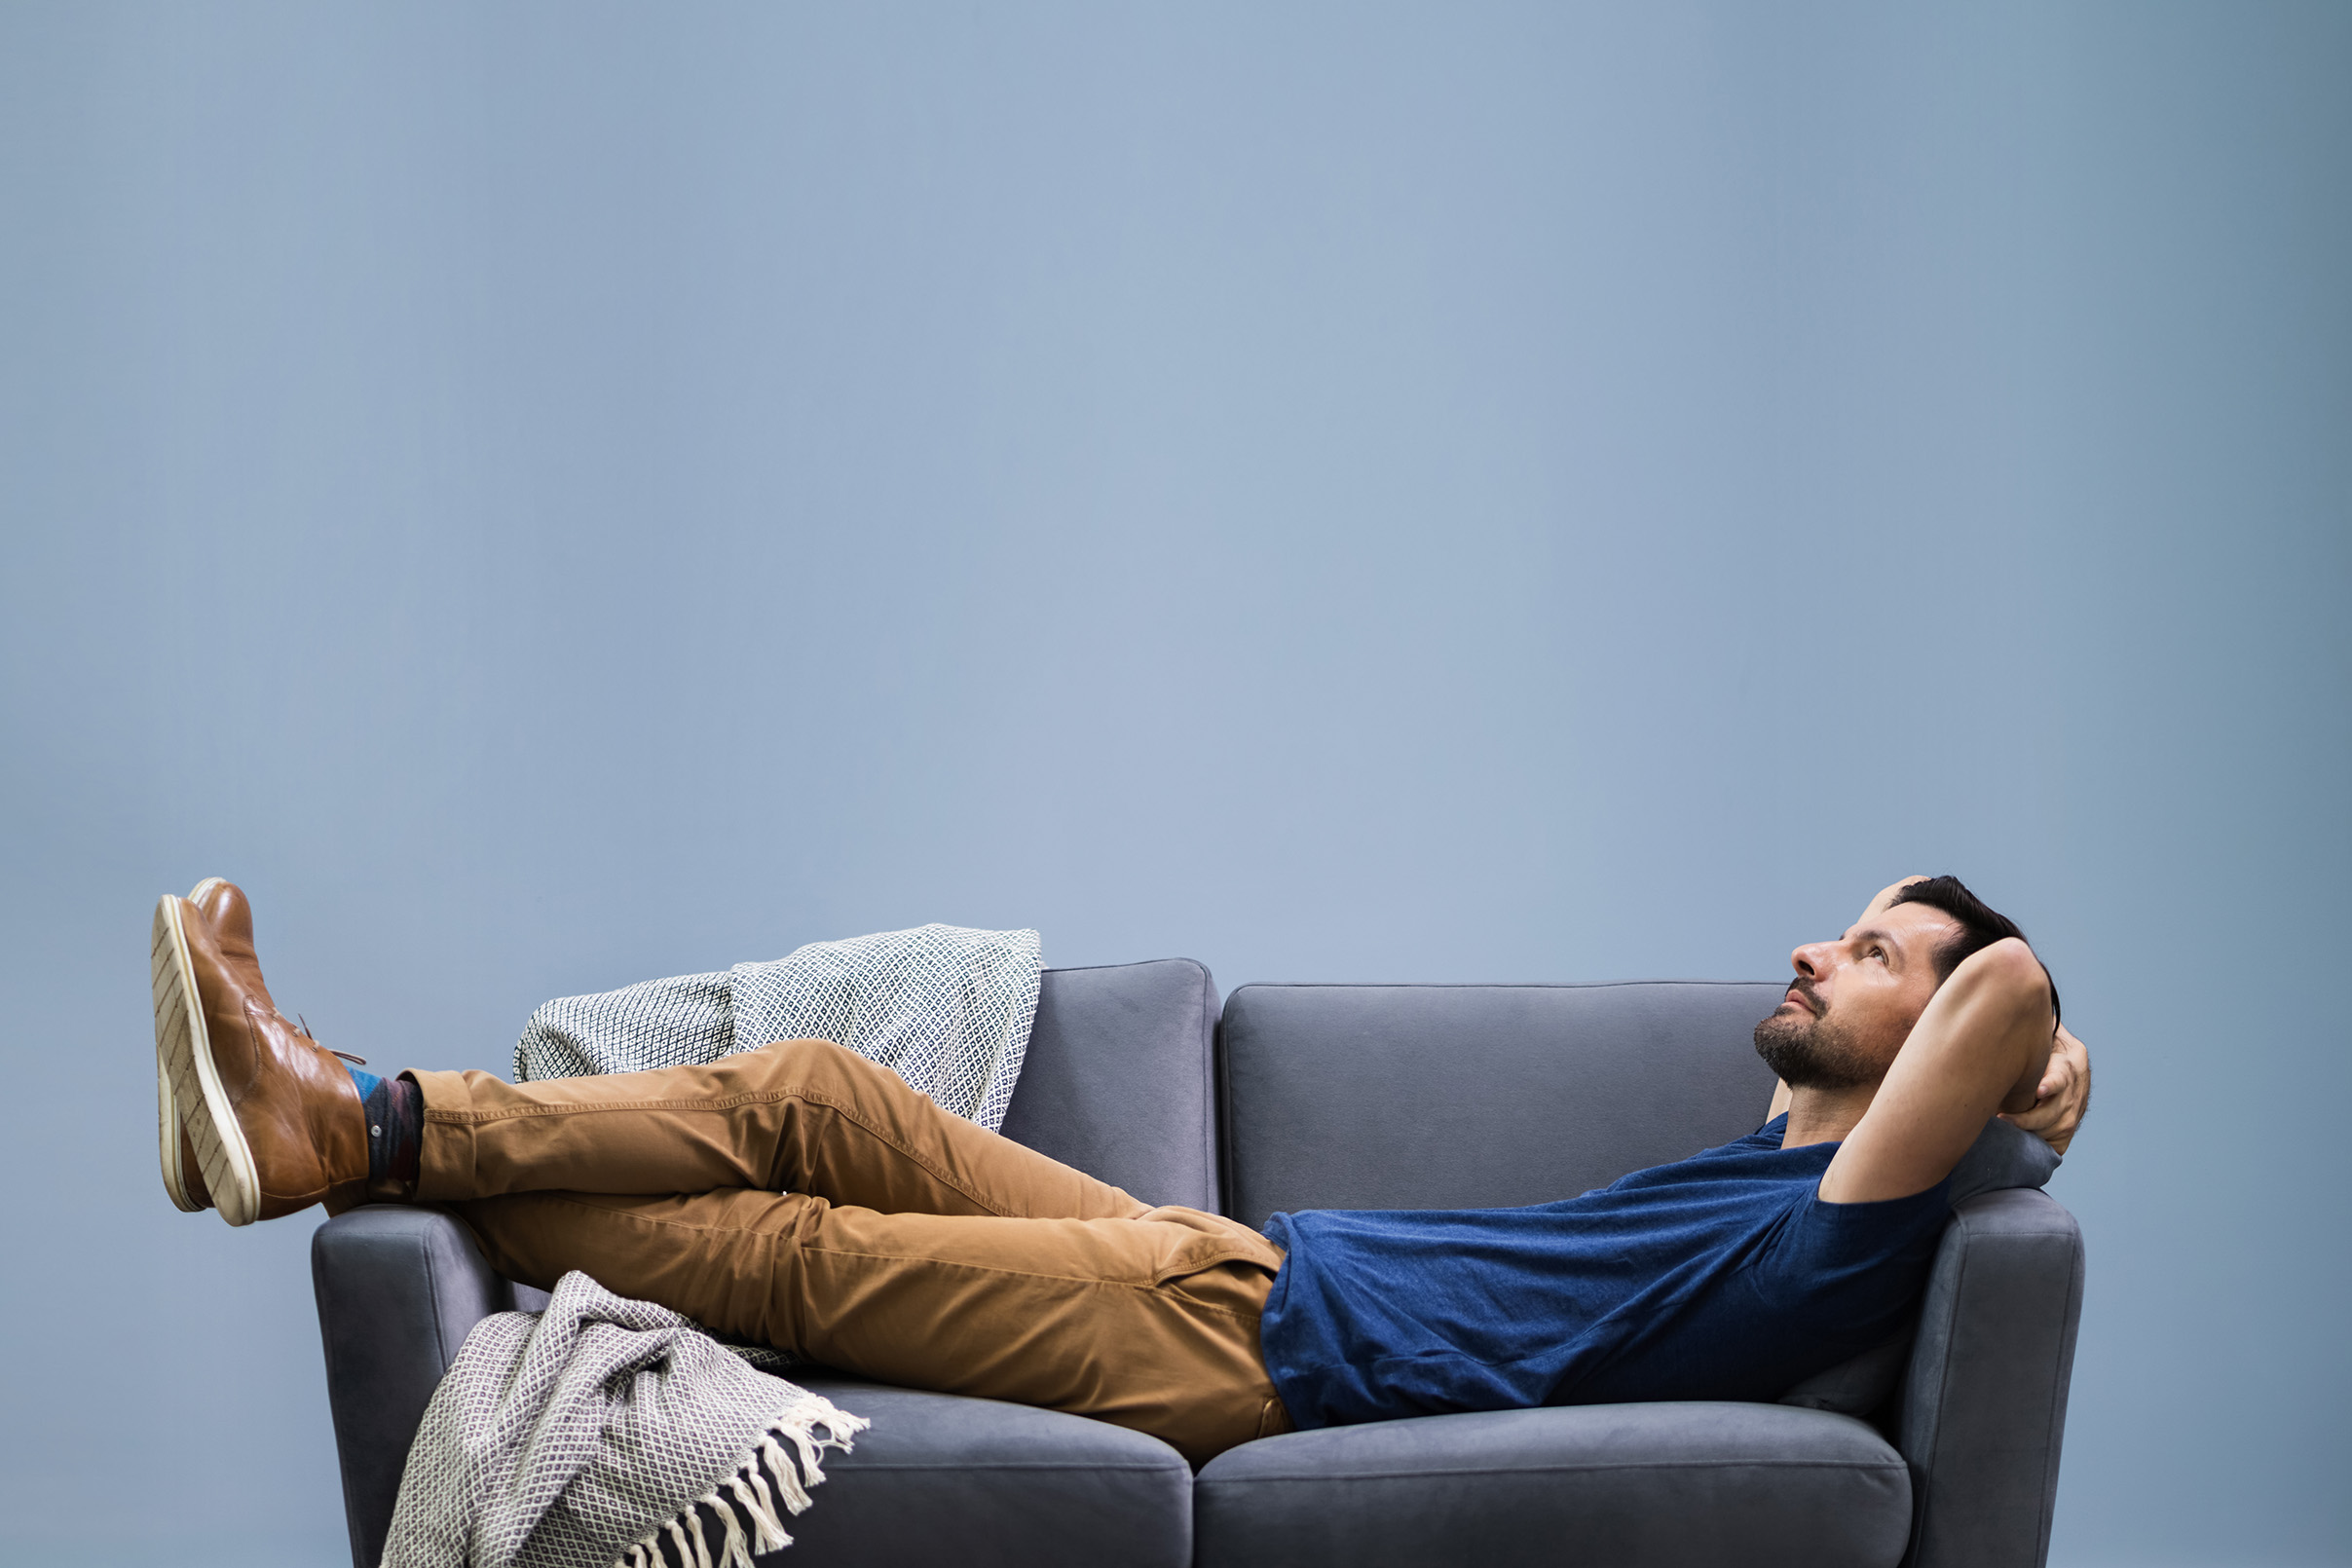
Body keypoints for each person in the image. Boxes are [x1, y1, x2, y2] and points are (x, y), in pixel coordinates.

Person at [150, 874, 2087, 1466]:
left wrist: (2040, 1049)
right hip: (1232, 1259)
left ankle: (362, 1128)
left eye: (1868, 953)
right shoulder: (1776, 1157)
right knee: (828, 1090)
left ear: (1940, 1044)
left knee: (805, 1253)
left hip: (1263, 1359)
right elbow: (1959, 994)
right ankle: (358, 1130)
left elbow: (1999, 983)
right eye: (1836, 928)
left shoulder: (1857, 1221)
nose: (1814, 952)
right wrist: (1967, 1022)